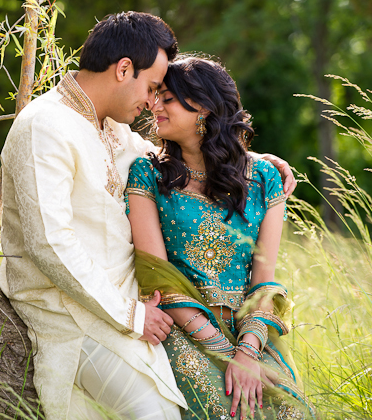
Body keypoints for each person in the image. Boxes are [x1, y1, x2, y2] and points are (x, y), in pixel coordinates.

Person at [0, 12, 296, 420]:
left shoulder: (112, 130)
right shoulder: (45, 126)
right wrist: (131, 314)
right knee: (158, 412)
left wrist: (255, 161)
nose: (152, 102)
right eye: (153, 87)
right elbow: (48, 242)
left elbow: (187, 155)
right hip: (74, 314)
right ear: (124, 69)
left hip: (140, 311)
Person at [125, 56, 314, 419]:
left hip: (250, 332)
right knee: (227, 408)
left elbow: (264, 283)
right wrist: (227, 356)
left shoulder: (263, 178)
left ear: (204, 109)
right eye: (156, 95)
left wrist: (247, 352)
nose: (154, 105)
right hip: (183, 328)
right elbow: (160, 280)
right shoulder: (147, 174)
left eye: (167, 98)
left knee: (290, 411)